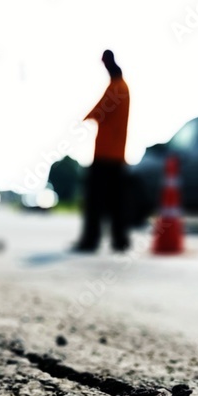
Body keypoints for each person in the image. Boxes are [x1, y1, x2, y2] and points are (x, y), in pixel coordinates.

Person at [74, 50, 131, 253]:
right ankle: (120, 240)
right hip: (117, 155)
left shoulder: (117, 87)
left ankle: (91, 240)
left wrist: (85, 117)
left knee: (95, 200)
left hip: (106, 154)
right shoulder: (120, 86)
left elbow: (100, 112)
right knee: (116, 200)